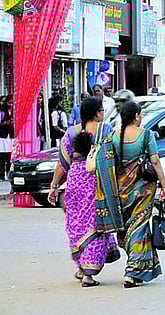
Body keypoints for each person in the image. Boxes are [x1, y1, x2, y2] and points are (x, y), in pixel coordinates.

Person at [46, 97, 121, 287]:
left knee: (77, 223)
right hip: (97, 181)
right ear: (97, 113)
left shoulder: (71, 133)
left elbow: (62, 164)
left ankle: (81, 267)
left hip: (75, 181)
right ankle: (88, 273)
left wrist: (54, 186)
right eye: (102, 110)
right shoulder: (106, 131)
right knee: (96, 225)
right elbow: (116, 157)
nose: (103, 113)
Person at [115, 100, 165, 287]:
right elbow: (155, 161)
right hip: (143, 189)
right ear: (136, 116)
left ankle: (138, 268)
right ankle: (132, 270)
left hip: (121, 191)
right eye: (141, 115)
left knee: (129, 227)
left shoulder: (114, 137)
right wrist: (164, 185)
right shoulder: (146, 135)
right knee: (139, 227)